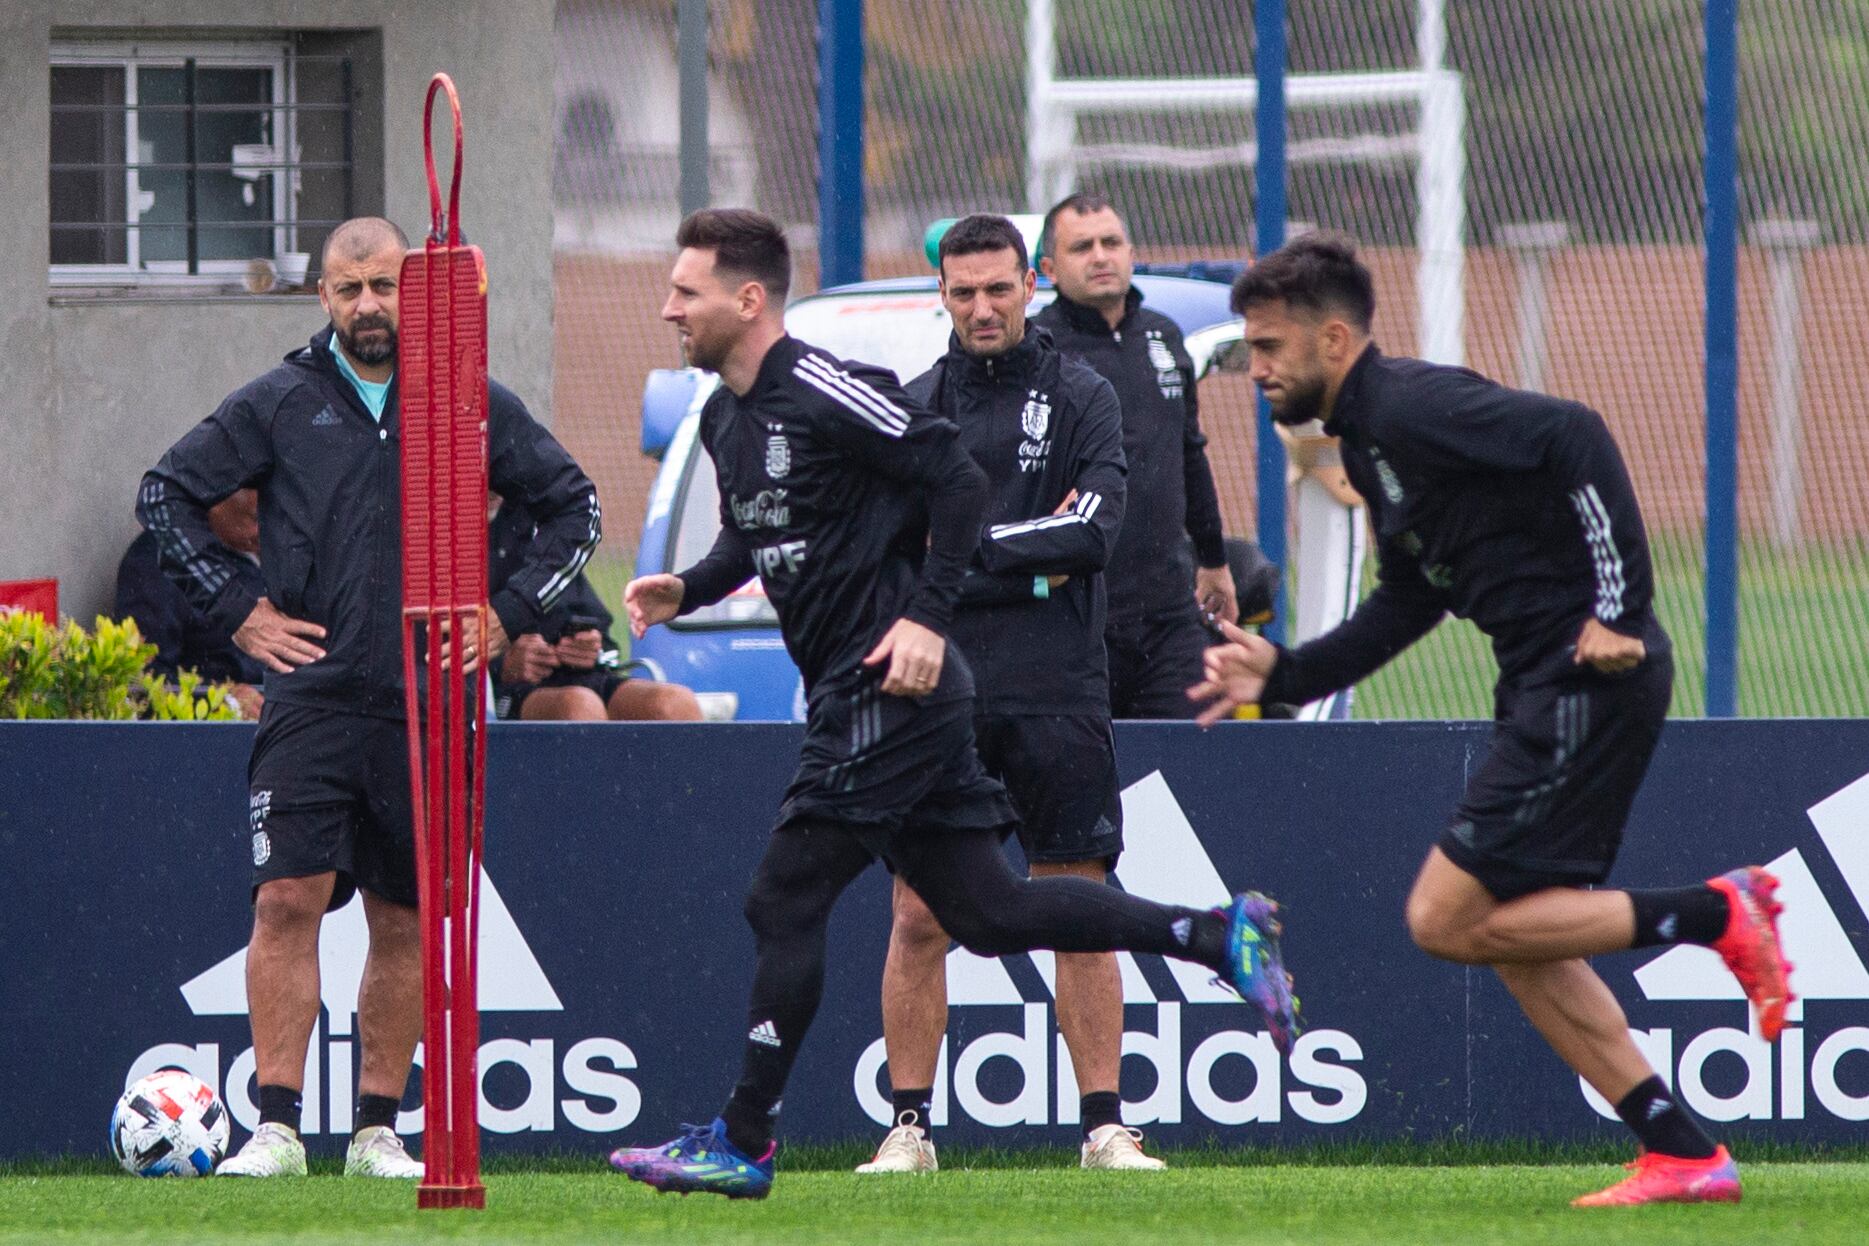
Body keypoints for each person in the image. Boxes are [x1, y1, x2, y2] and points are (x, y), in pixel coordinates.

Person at [610, 208, 1297, 1201]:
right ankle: (1216, 934)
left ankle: (744, 1139)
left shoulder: (828, 386)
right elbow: (762, 534)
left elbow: (950, 476)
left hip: (892, 692)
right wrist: (693, 586)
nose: (668, 309)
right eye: (961, 289)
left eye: (685, 291)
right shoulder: (724, 415)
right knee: (990, 909)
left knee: (784, 895)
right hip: (884, 692)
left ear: (746, 299)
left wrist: (929, 614)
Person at [1192, 233, 1794, 1208]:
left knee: (1445, 916)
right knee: (1511, 936)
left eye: (1267, 348)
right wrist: (1288, 671)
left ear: (1334, 339)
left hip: (1586, 676)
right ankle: (1685, 1154)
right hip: (1541, 682)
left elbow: (1578, 434)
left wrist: (1620, 609)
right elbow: (1410, 599)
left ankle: (1722, 910)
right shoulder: (1371, 443)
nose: (1254, 369)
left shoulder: (1411, 406)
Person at [136, 217, 601, 1179]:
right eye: (349, 290)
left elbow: (579, 507)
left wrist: (507, 612)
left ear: (416, 293)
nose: (368, 307)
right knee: (286, 900)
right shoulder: (278, 400)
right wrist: (239, 613)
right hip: (311, 693)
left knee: (403, 918)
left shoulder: (467, 400)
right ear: (323, 297)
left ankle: (377, 1130)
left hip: (430, 702)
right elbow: (163, 494)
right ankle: (275, 1129)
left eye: (385, 286)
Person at [858, 214, 1156, 1174]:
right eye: (962, 292)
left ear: (1030, 284)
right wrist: (1021, 562)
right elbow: (890, 554)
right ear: (938, 294)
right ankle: (908, 1128)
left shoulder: (1082, 394)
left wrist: (967, 554)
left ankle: (1104, 1126)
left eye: (998, 289)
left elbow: (1093, 531)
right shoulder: (910, 410)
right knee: (916, 911)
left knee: (1079, 901)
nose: (982, 308)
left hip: (1058, 688)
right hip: (940, 696)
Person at [1033, 193, 1235, 719]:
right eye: (1082, 247)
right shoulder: (1037, 350)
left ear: (1130, 251)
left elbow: (1189, 451)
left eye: (1111, 242)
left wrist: (1213, 559)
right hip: (1075, 620)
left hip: (1169, 615)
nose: (1100, 256)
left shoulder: (1163, 336)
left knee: (1194, 767)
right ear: (1050, 269)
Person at [488, 498, 702, 722]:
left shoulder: (535, 518)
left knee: (676, 703)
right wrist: (502, 664)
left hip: (579, 676)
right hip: (503, 690)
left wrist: (591, 647)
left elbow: (598, 630)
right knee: (580, 707)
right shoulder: (457, 532)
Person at [116, 487, 267, 718]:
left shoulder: (267, 550)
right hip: (215, 731)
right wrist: (223, 698)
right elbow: (140, 676)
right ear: (217, 501)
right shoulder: (158, 561)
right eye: (257, 518)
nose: (268, 530)